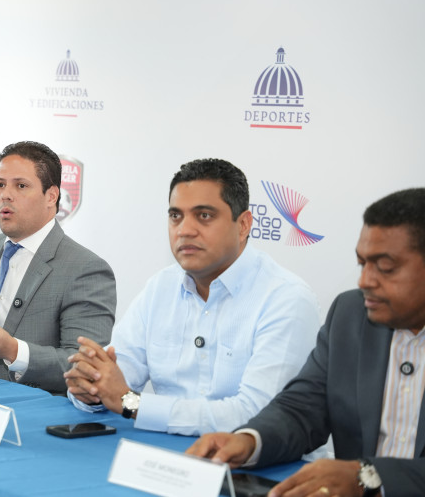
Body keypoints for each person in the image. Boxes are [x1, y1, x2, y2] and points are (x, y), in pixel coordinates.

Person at [187, 188, 425, 497]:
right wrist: (250, 441)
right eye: (362, 263)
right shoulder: (351, 314)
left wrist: (370, 477)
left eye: (386, 267)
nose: (365, 281)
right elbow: (303, 407)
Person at [64, 158, 319, 435]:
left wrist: (131, 403)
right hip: (165, 455)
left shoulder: (286, 298)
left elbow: (256, 415)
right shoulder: (160, 288)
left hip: (259, 469)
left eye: (204, 216)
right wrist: (90, 386)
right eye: (176, 216)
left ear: (244, 224)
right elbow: (115, 379)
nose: (184, 230)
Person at [0, 141, 116, 395]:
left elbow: (86, 369)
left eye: (21, 186)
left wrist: (13, 351)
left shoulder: (86, 269)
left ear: (52, 196)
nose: (6, 195)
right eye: (0, 185)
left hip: (29, 408)